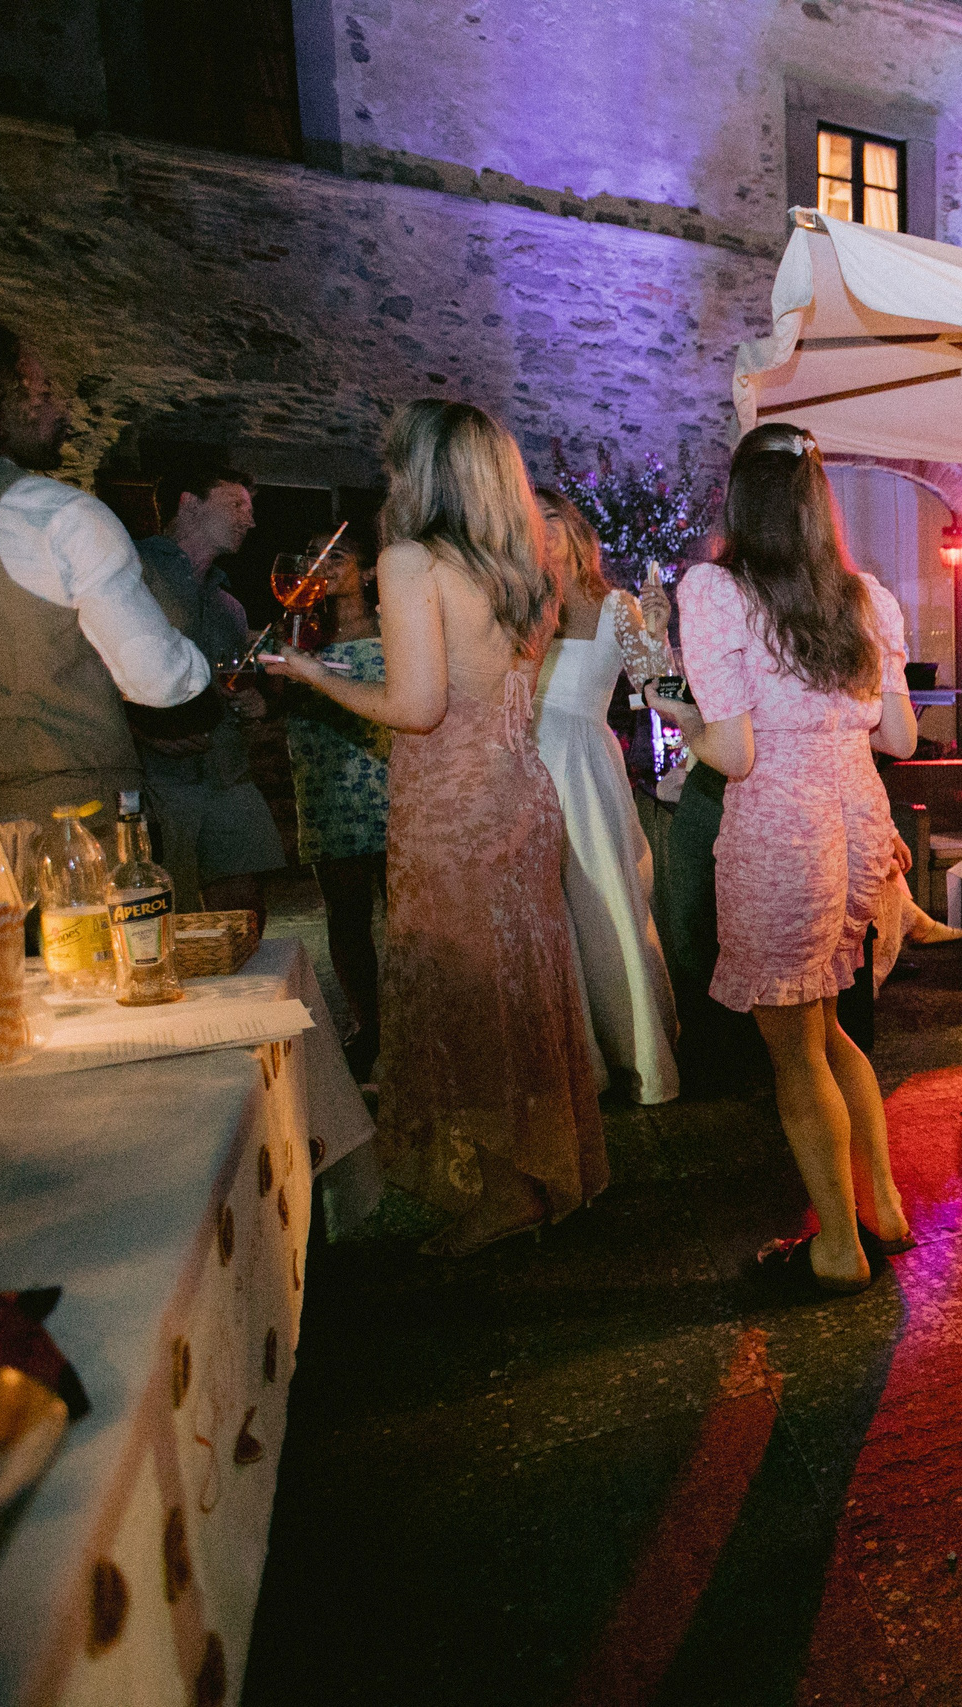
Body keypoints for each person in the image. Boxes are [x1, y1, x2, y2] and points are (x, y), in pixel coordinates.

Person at [266, 400, 606, 1256]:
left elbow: (415, 707)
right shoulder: (526, 562)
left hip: (453, 808)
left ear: (422, 474)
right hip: (522, 794)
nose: (389, 483)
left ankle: (502, 1194)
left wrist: (313, 672)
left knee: (462, 994)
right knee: (517, 987)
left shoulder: (412, 560)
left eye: (395, 467)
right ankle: (528, 1171)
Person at [644, 426, 916, 1295]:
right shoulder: (867, 596)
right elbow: (901, 734)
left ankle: (837, 1248)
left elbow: (735, 754)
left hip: (783, 838)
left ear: (741, 500)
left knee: (795, 1055)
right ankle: (884, 1210)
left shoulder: (718, 591)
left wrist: (669, 706)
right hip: (858, 831)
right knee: (830, 1028)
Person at [0, 314, 208, 822]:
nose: (62, 410)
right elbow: (158, 680)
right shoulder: (55, 513)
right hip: (71, 808)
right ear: (2, 398)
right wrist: (191, 659)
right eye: (45, 390)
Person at [533, 488, 681, 1106]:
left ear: (572, 529)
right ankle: (569, 1063)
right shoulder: (517, 605)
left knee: (605, 903)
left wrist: (661, 632)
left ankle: (639, 1056)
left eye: (549, 523)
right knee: (544, 915)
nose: (539, 537)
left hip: (584, 766)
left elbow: (662, 687)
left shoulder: (615, 604)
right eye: (525, 525)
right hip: (521, 760)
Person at [133, 466, 288, 920]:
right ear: (188, 503)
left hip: (227, 772)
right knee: (169, 918)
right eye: (236, 504)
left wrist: (256, 701)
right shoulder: (132, 572)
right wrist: (140, 727)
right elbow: (91, 665)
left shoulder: (231, 607)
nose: (250, 519)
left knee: (244, 908)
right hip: (157, 779)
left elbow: (240, 682)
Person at [279, 529, 392, 1081]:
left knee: (409, 914)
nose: (320, 565)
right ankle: (366, 1024)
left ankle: (415, 1020)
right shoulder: (300, 634)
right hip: (327, 782)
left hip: (390, 782)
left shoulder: (395, 629)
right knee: (347, 917)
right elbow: (274, 694)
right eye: (311, 555)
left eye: (336, 556)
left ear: (368, 572)